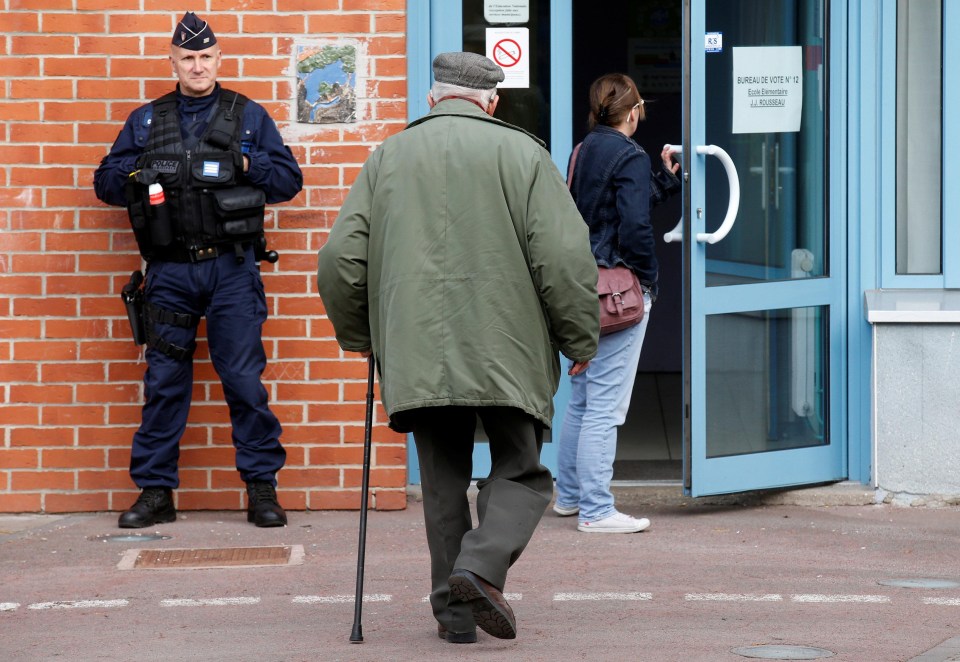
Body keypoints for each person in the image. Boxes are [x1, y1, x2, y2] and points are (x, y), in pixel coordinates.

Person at [316, 52, 599, 644]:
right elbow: (565, 258)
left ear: (432, 99)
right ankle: (481, 566)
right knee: (521, 472)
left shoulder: (388, 157)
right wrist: (579, 336)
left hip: (419, 349)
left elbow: (340, 261)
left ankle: (456, 617)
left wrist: (365, 336)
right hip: (507, 344)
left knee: (443, 480)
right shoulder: (523, 154)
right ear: (490, 103)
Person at [93, 12, 303, 529]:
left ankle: (261, 490)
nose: (197, 66)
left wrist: (247, 165)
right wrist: (143, 173)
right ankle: (155, 491)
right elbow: (105, 181)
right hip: (169, 273)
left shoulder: (248, 116)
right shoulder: (146, 121)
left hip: (231, 270)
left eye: (205, 57)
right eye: (187, 58)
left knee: (243, 382)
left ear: (218, 60)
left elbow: (288, 180)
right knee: (164, 383)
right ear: (173, 62)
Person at [554, 73, 680, 534]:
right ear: (632, 112)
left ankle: (569, 498)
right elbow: (633, 227)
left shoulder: (584, 149)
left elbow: (599, 210)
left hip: (584, 284)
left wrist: (665, 182)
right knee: (605, 406)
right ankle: (597, 510)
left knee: (584, 401)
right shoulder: (628, 153)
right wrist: (646, 281)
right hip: (617, 292)